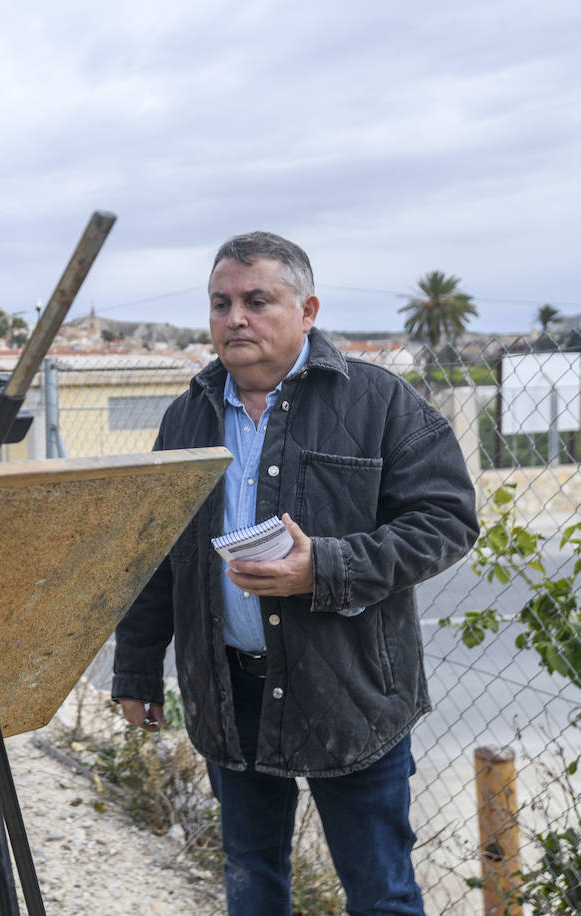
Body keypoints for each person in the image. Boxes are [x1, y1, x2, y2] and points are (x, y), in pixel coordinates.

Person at [111, 231, 478, 915]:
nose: (235, 319)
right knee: (252, 877)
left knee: (381, 893)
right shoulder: (187, 417)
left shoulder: (380, 403)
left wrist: (326, 567)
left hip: (351, 692)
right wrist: (135, 670)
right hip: (231, 694)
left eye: (257, 300)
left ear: (307, 310)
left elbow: (448, 521)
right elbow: (154, 553)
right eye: (221, 303)